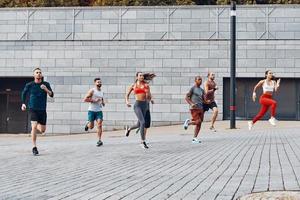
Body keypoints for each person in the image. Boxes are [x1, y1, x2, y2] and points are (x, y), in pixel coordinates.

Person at [21, 68, 54, 156]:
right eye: (37, 72)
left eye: (40, 73)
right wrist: (23, 103)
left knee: (43, 130)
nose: (39, 74)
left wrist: (46, 89)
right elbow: (24, 93)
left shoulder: (46, 84)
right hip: (33, 109)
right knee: (34, 126)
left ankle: (34, 129)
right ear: (34, 75)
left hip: (42, 110)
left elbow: (51, 94)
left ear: (41, 75)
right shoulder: (30, 84)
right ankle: (34, 147)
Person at [125, 72, 155, 149]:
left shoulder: (146, 85)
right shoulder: (133, 85)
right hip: (137, 105)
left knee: (138, 124)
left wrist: (150, 99)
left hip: (145, 105)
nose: (142, 77)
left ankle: (129, 129)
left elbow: (149, 95)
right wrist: (127, 101)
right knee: (143, 122)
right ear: (137, 77)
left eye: (142, 75)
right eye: (140, 75)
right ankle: (142, 141)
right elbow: (127, 95)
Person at [183, 76, 205, 144]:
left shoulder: (202, 90)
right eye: (198, 79)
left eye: (201, 80)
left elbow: (203, 100)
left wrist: (208, 101)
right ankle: (188, 123)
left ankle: (194, 138)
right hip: (194, 108)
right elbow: (186, 97)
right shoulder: (193, 88)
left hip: (201, 108)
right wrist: (191, 104)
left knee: (199, 123)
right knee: (198, 121)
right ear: (195, 81)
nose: (200, 81)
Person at [83, 78, 105, 147]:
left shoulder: (101, 92)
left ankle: (99, 140)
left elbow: (101, 99)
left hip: (99, 111)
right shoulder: (92, 91)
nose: (99, 83)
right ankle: (87, 124)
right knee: (91, 127)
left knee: (99, 125)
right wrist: (94, 100)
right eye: (98, 82)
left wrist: (103, 103)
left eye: (100, 82)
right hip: (91, 111)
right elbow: (85, 99)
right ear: (95, 83)